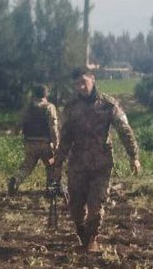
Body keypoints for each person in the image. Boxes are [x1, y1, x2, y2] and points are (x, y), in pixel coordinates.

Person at [52, 67, 141, 253]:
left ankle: (92, 239)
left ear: (93, 79)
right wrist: (58, 165)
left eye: (84, 82)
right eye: (77, 84)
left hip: (101, 164)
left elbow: (124, 130)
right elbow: (65, 139)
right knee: (76, 207)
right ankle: (83, 234)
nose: (81, 87)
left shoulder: (108, 105)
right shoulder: (71, 108)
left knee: (95, 205)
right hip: (77, 164)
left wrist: (134, 157)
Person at [8, 84, 59, 196]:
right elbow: (53, 127)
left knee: (27, 166)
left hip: (30, 143)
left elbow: (20, 123)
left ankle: (16, 179)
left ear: (34, 94)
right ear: (46, 94)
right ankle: (51, 190)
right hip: (46, 144)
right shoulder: (50, 107)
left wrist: (17, 132)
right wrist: (56, 143)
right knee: (51, 166)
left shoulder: (28, 107)